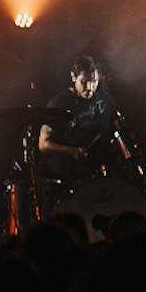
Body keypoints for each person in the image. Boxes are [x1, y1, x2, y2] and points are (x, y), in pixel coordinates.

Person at [38, 55, 120, 209]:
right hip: (74, 174)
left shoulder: (104, 98)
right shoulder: (59, 103)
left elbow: (117, 127)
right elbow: (43, 144)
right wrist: (73, 151)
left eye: (94, 81)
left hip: (105, 168)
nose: (90, 87)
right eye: (84, 82)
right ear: (73, 77)